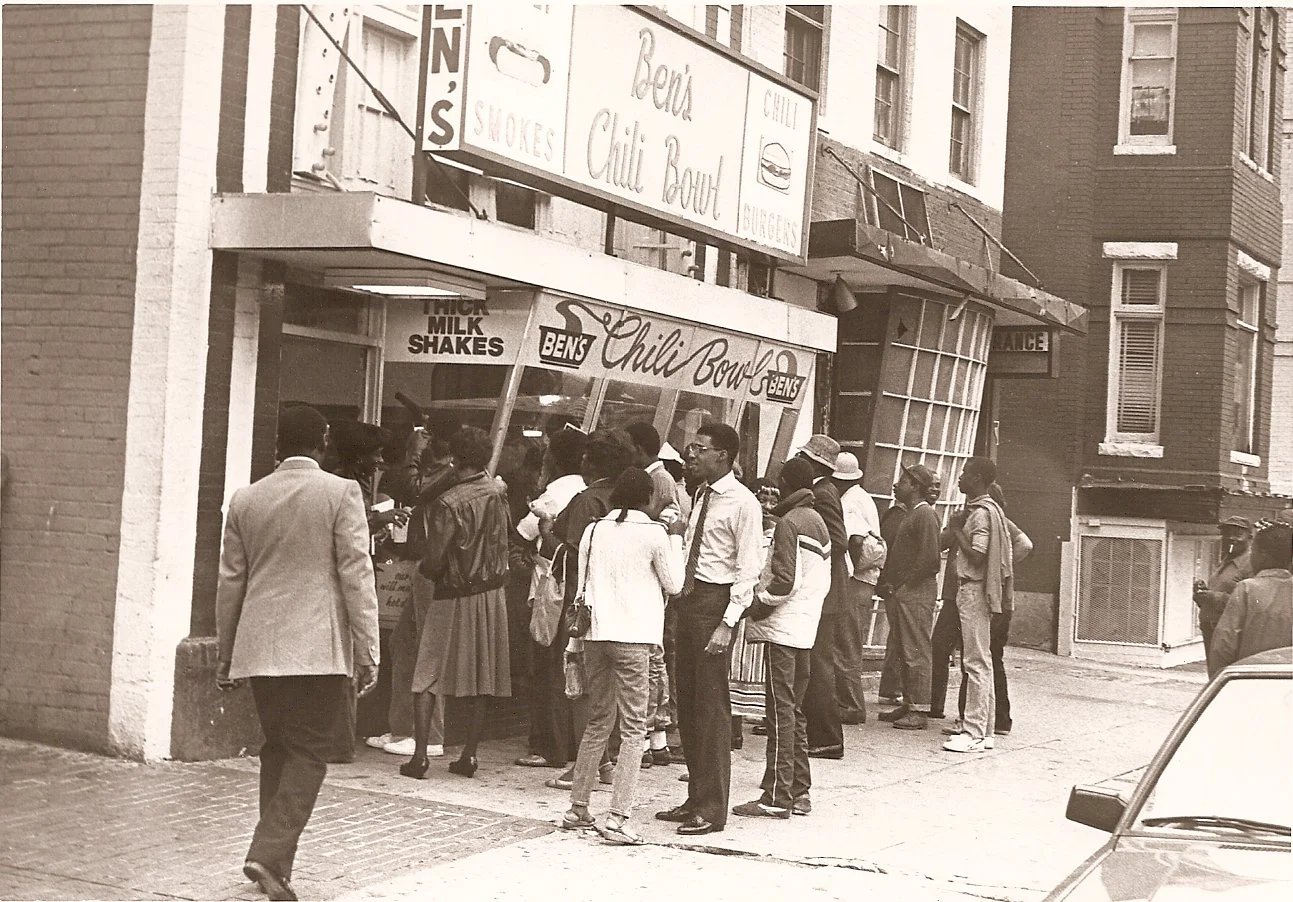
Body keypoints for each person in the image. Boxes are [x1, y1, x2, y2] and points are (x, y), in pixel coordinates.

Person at [215, 405, 380, 902]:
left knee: (279, 750)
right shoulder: (341, 493)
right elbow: (357, 573)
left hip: (262, 648)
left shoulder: (246, 499)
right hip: (319, 649)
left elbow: (230, 583)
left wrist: (227, 652)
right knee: (310, 753)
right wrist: (368, 646)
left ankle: (274, 866)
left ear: (275, 444)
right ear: (323, 441)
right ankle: (268, 853)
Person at [562, 469, 684, 844]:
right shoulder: (655, 534)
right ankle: (617, 816)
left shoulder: (594, 530)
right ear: (648, 499)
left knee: (599, 720)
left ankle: (578, 807)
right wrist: (676, 538)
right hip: (636, 637)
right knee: (633, 730)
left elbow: (581, 586)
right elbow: (675, 585)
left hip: (596, 635)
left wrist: (574, 646)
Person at [655, 424, 763, 836]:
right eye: (691, 447)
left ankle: (713, 807)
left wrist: (726, 624)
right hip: (689, 600)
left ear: (724, 455)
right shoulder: (700, 495)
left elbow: (747, 570)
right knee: (690, 704)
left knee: (712, 709)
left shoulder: (743, 503)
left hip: (715, 606)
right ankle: (695, 797)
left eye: (701, 449)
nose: (691, 454)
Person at [401, 426, 511, 780]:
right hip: (491, 594)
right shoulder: (496, 492)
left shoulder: (449, 502)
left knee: (427, 674)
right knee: (482, 675)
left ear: (454, 458)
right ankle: (470, 756)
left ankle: (420, 757)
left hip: (453, 592)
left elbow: (434, 561)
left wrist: (426, 571)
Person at [731, 457, 831, 820]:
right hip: (804, 628)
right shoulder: (817, 521)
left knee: (779, 713)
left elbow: (784, 581)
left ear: (789, 484)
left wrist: (756, 605)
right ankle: (799, 791)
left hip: (783, 629)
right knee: (793, 711)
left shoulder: (790, 522)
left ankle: (776, 796)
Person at [538, 427, 637, 790]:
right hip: (620, 601)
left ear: (591, 461)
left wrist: (548, 532)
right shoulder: (627, 498)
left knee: (579, 685)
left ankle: (586, 764)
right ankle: (606, 763)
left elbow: (576, 554)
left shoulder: (587, 500)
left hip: (584, 603)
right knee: (607, 686)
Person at [367, 432, 455, 759]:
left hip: (432, 568)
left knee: (424, 648)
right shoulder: (444, 475)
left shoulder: (448, 476)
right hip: (423, 567)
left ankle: (430, 735)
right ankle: (404, 727)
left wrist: (414, 455)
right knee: (403, 642)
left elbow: (415, 491)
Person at [513, 427, 587, 770]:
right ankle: (571, 744)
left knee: (547, 667)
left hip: (553, 586)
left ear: (553, 456)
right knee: (571, 665)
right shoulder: (587, 488)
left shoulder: (556, 490)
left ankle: (550, 746)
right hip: (579, 588)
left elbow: (524, 532)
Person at [932, 483, 1031, 736]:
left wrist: (997, 569)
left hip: (973, 595)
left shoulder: (993, 520)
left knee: (977, 658)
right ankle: (988, 719)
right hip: (959, 595)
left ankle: (981, 720)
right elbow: (941, 544)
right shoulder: (972, 520)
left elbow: (1025, 545)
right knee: (975, 655)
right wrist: (957, 527)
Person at [941, 458, 1014, 753]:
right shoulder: (990, 510)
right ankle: (985, 731)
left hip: (974, 589)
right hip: (979, 591)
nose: (960, 478)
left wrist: (957, 529)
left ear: (979, 478)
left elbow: (978, 556)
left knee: (975, 662)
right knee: (982, 661)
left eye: (965, 474)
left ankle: (972, 731)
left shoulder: (980, 514)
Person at [792, 434, 849, 759]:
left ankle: (827, 737)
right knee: (815, 663)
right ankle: (821, 733)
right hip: (825, 591)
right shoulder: (824, 491)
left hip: (825, 593)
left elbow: (837, 540)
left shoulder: (824, 493)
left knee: (819, 664)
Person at [876, 465, 941, 731]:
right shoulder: (913, 513)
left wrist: (904, 585)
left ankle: (919, 709)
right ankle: (909, 702)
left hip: (915, 593)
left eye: (903, 480)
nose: (897, 485)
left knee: (916, 649)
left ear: (915, 486)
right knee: (904, 649)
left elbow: (930, 560)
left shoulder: (924, 514)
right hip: (905, 592)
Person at [830, 451, 881, 725]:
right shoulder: (863, 497)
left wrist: (850, 567)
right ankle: (850, 702)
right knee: (850, 640)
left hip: (855, 579)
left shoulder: (849, 503)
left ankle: (850, 704)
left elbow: (856, 540)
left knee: (846, 641)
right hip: (865, 579)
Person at [1207, 523, 1292, 677]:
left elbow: (1223, 647)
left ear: (1263, 555)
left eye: (1253, 551)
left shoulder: (1247, 590)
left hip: (1249, 680)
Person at [1194, 516, 1253, 659]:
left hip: (1228, 632)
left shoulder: (1250, 564)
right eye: (1227, 533)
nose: (1231, 538)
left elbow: (1249, 603)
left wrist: (1214, 597)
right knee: (1214, 674)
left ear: (1250, 538)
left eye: (1238, 534)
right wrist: (1203, 594)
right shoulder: (1226, 560)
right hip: (1211, 628)